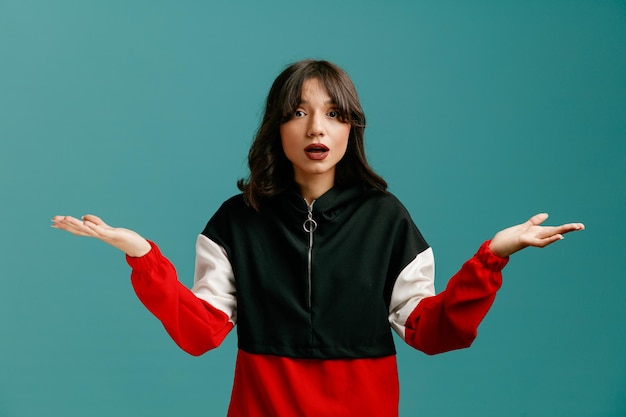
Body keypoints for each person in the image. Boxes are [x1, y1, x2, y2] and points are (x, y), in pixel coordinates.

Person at [52, 60, 584, 417]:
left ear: (351, 127)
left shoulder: (386, 218)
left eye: (333, 115)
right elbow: (202, 332)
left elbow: (430, 330)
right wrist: (144, 257)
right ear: (275, 127)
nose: (316, 130)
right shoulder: (236, 222)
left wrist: (492, 257)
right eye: (298, 113)